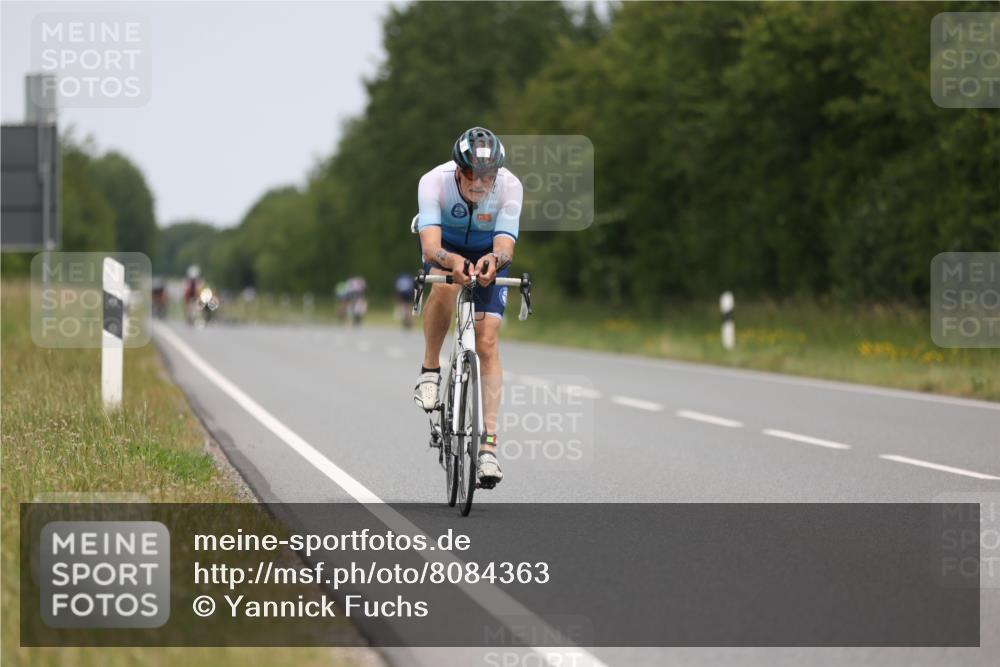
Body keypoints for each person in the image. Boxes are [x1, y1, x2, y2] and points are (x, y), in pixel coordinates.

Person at [412, 127, 522, 487]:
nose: (479, 182)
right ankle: (430, 369)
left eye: (487, 175)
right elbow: (430, 247)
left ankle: (488, 448)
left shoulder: (509, 187)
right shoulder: (433, 182)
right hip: (445, 246)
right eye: (471, 173)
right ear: (458, 169)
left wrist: (494, 260)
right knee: (443, 289)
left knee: (487, 342)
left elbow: (505, 246)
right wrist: (450, 260)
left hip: (487, 252)